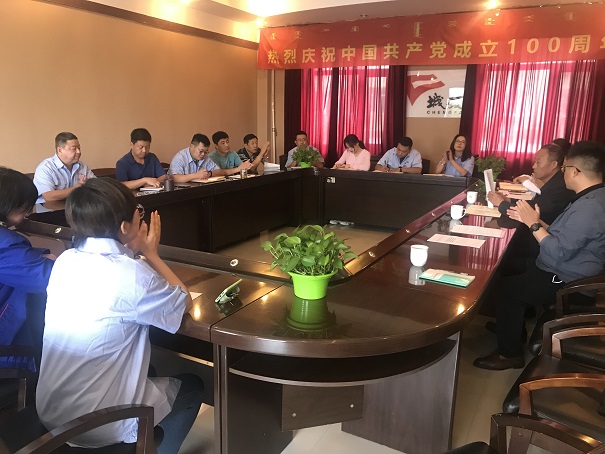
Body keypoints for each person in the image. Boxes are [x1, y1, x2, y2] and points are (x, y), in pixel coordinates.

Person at [36, 178, 203, 452]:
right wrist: (151, 254)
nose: (140, 216)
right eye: (138, 211)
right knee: (193, 386)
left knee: (149, 371)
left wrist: (133, 251)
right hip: (97, 422)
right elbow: (182, 302)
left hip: (51, 410)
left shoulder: (66, 260)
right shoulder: (131, 274)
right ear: (125, 227)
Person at [473, 141, 605, 370]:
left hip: (568, 280)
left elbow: (559, 252)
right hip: (565, 268)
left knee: (507, 291)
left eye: (564, 168)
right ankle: (512, 328)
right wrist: (536, 221)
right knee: (511, 267)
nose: (562, 173)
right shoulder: (591, 197)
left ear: (575, 171)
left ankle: (509, 355)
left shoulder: (591, 207)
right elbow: (564, 235)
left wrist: (534, 225)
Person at [0, 167, 55, 371]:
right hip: (6, 346)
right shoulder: (6, 243)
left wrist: (38, 256)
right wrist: (49, 260)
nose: (28, 211)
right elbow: (44, 278)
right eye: (24, 206)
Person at [33, 132, 96, 203]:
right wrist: (78, 187)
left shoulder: (82, 165)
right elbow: (48, 196)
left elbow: (96, 185)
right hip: (50, 208)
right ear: (60, 150)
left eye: (79, 148)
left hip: (75, 206)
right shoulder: (46, 168)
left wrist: (89, 184)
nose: (78, 152)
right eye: (74, 149)